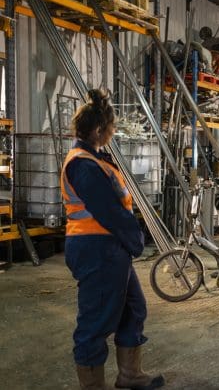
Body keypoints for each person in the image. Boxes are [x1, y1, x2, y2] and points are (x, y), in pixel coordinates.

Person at [61, 89, 164, 390]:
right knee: (96, 321)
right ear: (97, 130)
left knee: (133, 307)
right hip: (96, 248)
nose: (113, 132)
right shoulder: (83, 164)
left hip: (110, 247)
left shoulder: (95, 159)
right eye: (111, 127)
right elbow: (109, 211)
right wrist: (135, 238)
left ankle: (129, 374)